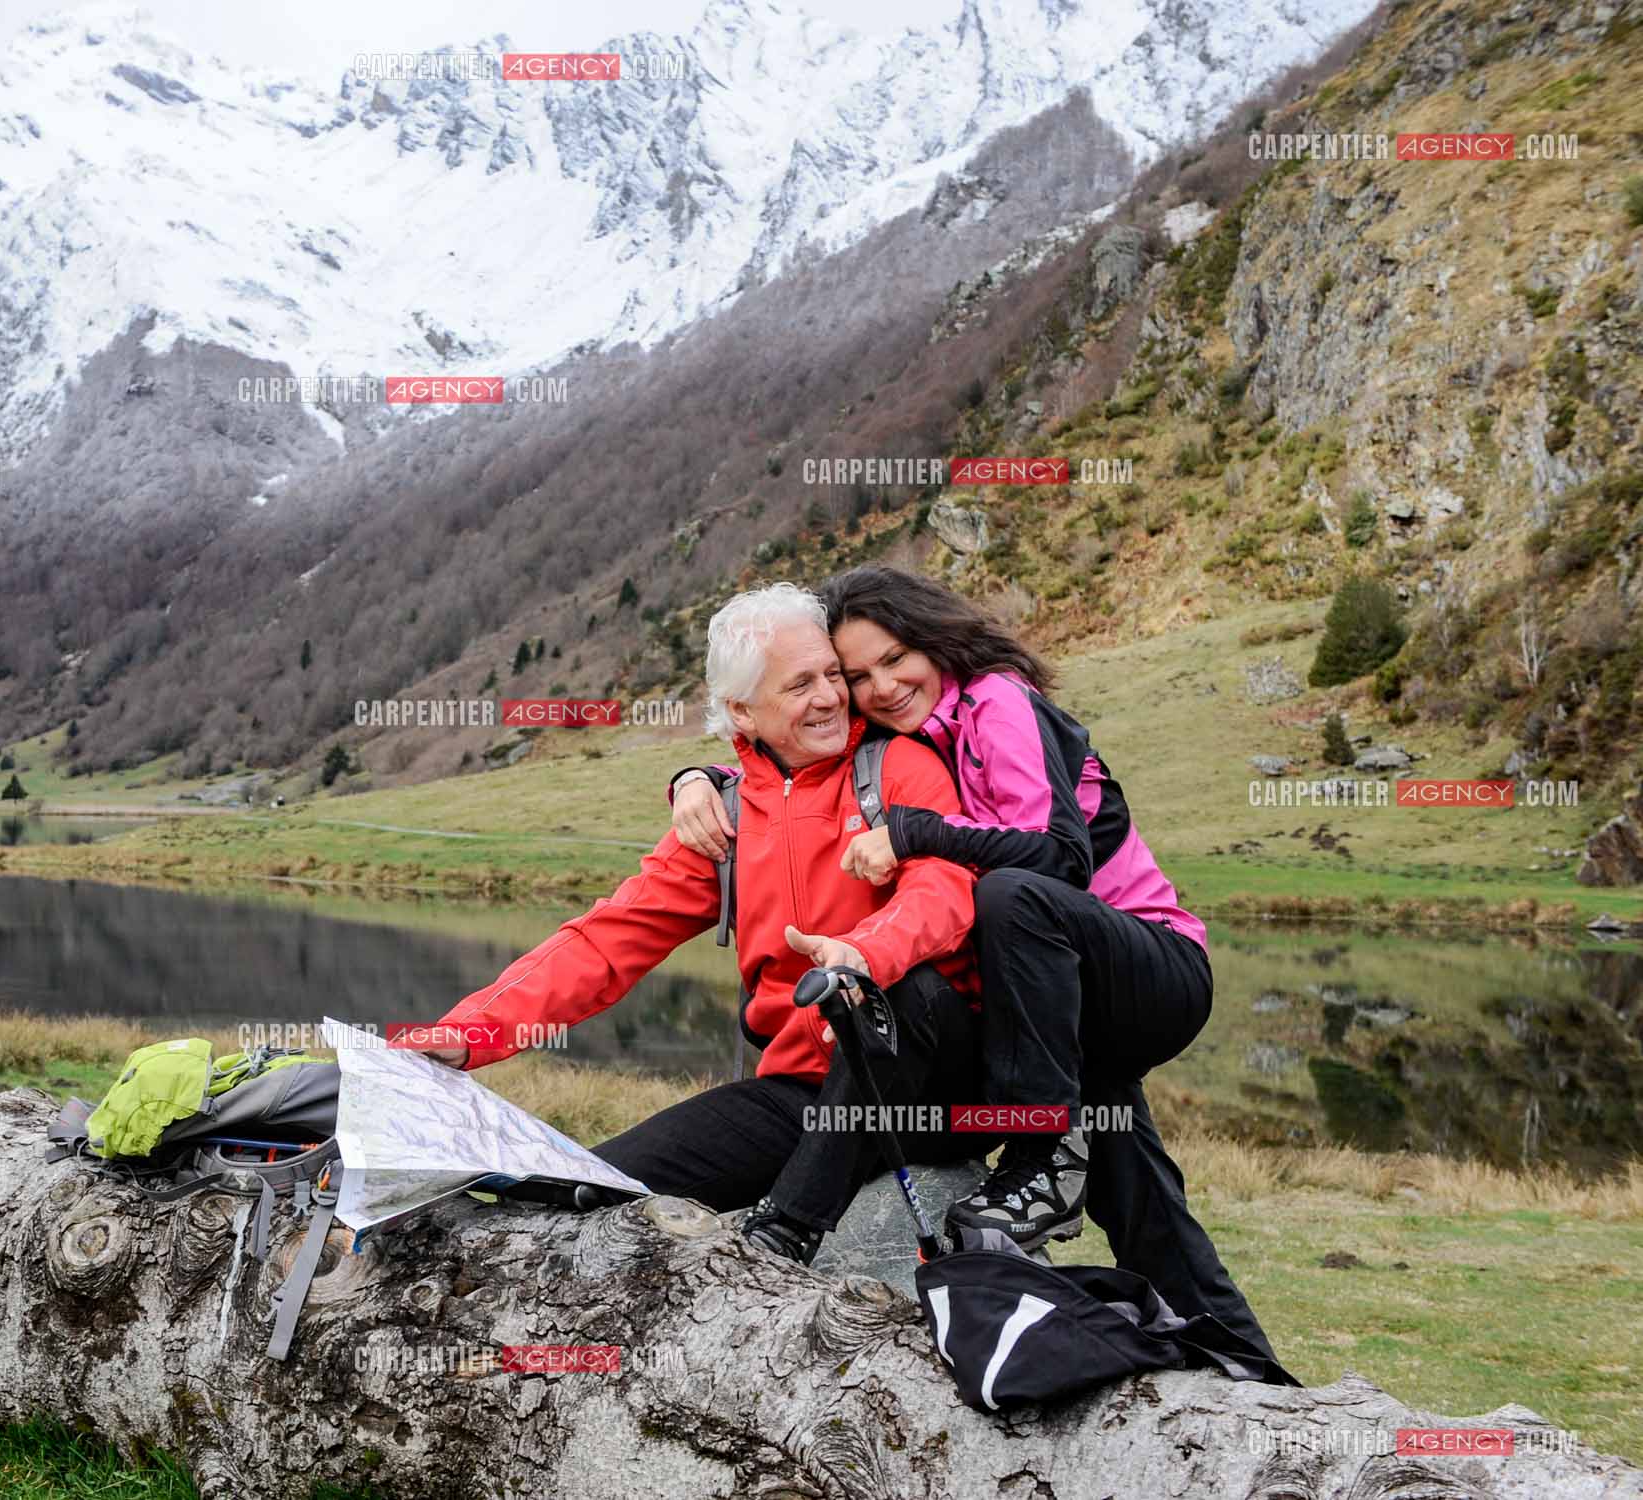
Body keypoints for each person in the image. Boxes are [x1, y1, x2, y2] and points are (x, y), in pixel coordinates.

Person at [667, 564, 1274, 1358]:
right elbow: (796, 760)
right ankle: (1245, 1364)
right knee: (1138, 1191)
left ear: (935, 640)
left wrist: (922, 835)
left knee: (1010, 898)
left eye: (895, 659)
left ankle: (1036, 1155)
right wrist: (700, 777)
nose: (879, 687)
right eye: (858, 676)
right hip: (1061, 1001)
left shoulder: (998, 702)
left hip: (1149, 967)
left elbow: (1057, 862)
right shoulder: (914, 740)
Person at [427, 583, 983, 1263]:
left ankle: (785, 1231)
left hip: (926, 1082)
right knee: (580, 1188)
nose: (832, 696)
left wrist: (863, 953)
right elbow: (607, 942)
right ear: (741, 710)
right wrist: (465, 1033)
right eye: (801, 684)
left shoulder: (900, 768)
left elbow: (948, 887)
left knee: (901, 989)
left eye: (832, 675)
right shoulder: (726, 816)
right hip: (801, 1090)